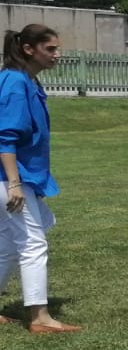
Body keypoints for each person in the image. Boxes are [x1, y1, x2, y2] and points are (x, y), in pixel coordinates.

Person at [0, 23, 77, 333]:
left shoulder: (28, 82)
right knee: (33, 243)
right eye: (50, 49)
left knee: (9, 242)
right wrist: (15, 183)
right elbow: (4, 137)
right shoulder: (15, 82)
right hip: (8, 180)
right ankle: (40, 317)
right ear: (28, 50)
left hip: (18, 179)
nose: (57, 55)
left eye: (57, 48)